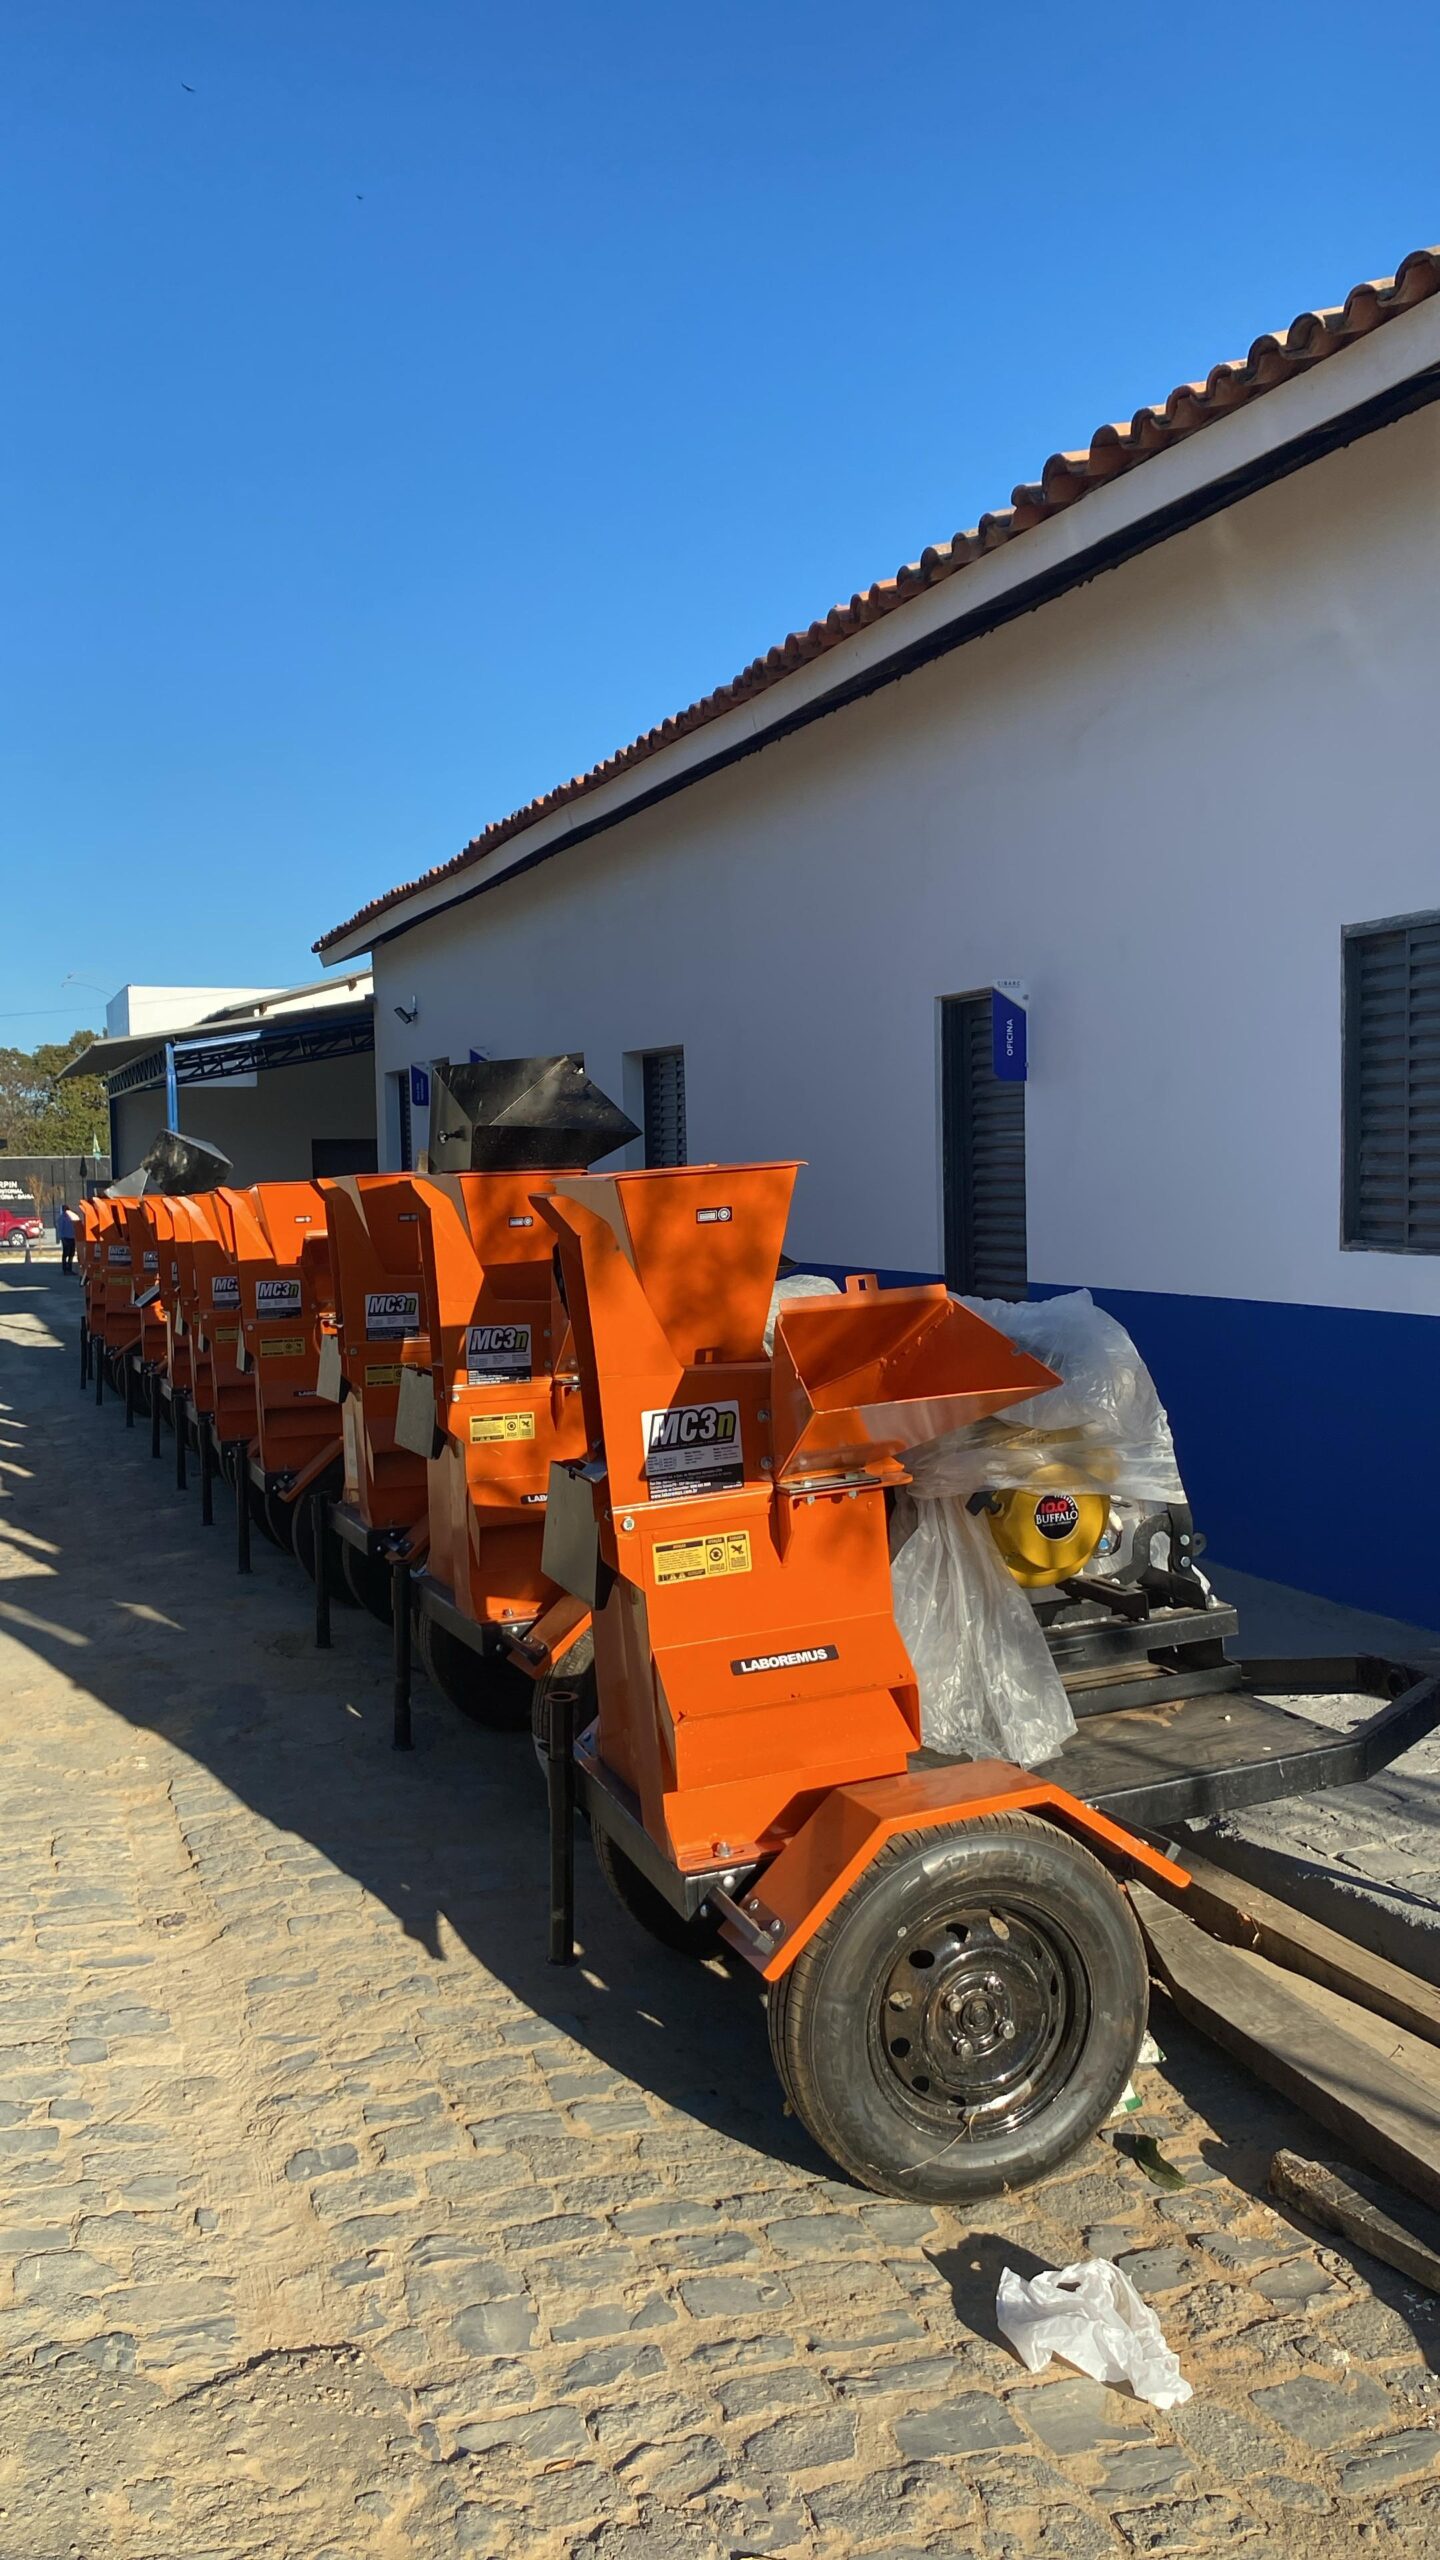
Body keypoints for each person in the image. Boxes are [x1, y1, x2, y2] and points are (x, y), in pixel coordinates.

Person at [57, 1202, 76, 1273]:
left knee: (71, 1254)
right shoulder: (62, 1218)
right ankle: (65, 1269)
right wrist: (62, 1238)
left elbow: (73, 1228)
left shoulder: (71, 1218)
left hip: (71, 1237)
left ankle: (69, 1268)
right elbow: (60, 1229)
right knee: (65, 1254)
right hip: (66, 1238)